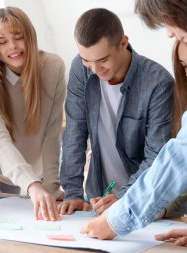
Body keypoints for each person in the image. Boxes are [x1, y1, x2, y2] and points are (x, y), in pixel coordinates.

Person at [80, 0, 187, 246]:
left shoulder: (157, 82)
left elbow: (175, 158)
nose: (170, 33)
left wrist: (115, 221)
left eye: (169, 23)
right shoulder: (82, 71)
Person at [59, 8, 174, 216]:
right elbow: (74, 131)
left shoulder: (158, 83)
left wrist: (124, 197)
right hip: (97, 199)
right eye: (87, 60)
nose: (94, 70)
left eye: (103, 60)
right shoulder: (80, 68)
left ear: (123, 42)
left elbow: (157, 155)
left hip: (144, 202)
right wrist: (73, 192)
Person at [0, 7, 66, 221]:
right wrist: (33, 185)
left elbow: (52, 134)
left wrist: (51, 188)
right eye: (2, 41)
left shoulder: (53, 68)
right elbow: (0, 143)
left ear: (30, 37)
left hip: (40, 169)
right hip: (2, 173)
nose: (12, 47)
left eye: (18, 37)